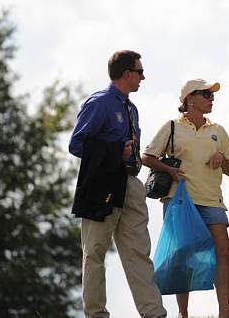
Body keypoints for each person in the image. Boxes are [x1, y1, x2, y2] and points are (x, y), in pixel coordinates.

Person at [69, 50, 166, 318]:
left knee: (138, 252)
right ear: (127, 74)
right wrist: (115, 151)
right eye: (140, 72)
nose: (143, 77)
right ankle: (96, 314)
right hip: (102, 185)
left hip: (131, 184)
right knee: (95, 253)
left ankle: (154, 314)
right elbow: (76, 144)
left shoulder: (130, 108)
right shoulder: (100, 103)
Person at [143, 79, 229, 318]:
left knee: (224, 249)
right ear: (190, 98)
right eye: (207, 95)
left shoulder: (218, 130)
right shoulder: (171, 126)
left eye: (212, 95)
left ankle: (225, 310)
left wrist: (221, 156)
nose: (212, 99)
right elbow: (147, 157)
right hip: (179, 200)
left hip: (212, 199)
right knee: (182, 253)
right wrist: (170, 171)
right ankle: (183, 313)